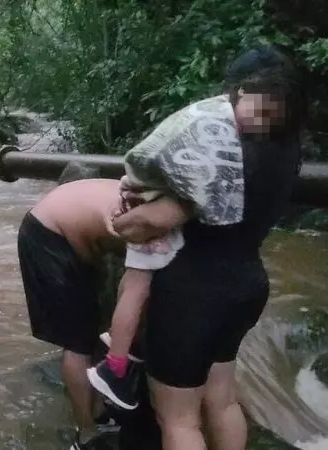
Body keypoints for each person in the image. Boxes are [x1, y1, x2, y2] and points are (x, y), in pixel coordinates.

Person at [102, 46, 307, 450]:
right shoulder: (285, 150)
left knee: (179, 421)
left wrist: (119, 222)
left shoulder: (219, 153)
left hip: (193, 295)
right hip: (246, 285)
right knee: (223, 402)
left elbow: (152, 221)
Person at [18, 174, 179, 450]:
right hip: (47, 233)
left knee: (95, 325)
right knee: (77, 341)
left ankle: (100, 409)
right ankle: (87, 432)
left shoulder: (159, 203)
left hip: (74, 224)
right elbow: (133, 290)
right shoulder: (136, 220)